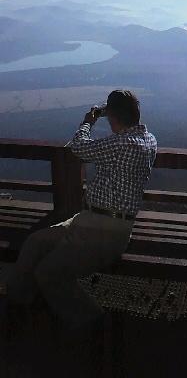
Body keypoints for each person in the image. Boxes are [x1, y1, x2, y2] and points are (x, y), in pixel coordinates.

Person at [3, 89, 157, 339]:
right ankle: (21, 305)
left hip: (104, 232)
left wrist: (88, 121)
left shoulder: (121, 143)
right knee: (35, 243)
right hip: (88, 222)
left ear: (113, 116)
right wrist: (110, 112)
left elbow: (78, 148)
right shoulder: (149, 139)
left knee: (48, 272)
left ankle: (94, 323)